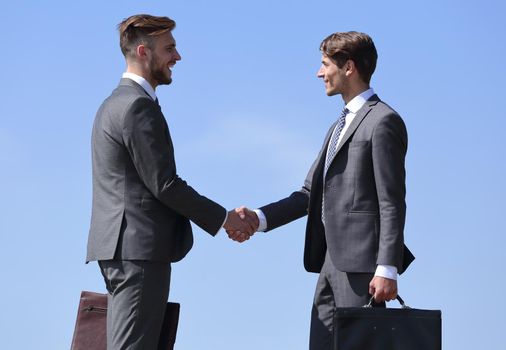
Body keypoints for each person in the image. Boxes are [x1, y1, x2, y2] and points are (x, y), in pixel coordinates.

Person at [233, 31, 414, 349]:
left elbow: (392, 201)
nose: (319, 73)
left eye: (324, 64)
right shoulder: (338, 126)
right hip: (329, 262)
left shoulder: (383, 121)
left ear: (349, 68)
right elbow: (308, 194)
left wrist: (388, 268)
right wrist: (258, 218)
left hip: (362, 266)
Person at [86, 14, 256, 349]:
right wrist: (225, 218)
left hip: (121, 249)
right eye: (170, 48)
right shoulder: (137, 106)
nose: (177, 56)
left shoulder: (112, 104)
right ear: (143, 52)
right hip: (139, 252)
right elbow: (164, 184)